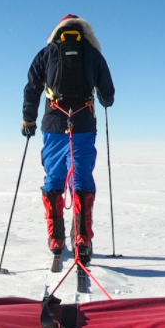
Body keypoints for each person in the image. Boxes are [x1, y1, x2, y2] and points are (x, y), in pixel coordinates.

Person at [21, 14, 115, 265]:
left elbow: (32, 87)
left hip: (53, 124)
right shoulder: (93, 53)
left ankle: (56, 239)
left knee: (54, 177)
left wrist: (28, 120)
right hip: (83, 124)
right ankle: (82, 238)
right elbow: (109, 96)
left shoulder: (46, 52)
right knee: (81, 176)